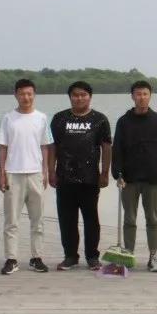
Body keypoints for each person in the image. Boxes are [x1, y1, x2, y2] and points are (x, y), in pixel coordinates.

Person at [50, 81, 112, 271]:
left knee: (91, 219)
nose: (79, 98)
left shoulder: (99, 119)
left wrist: (105, 172)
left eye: (83, 95)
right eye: (75, 95)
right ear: (70, 97)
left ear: (90, 97)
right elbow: (52, 146)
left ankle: (92, 256)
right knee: (67, 219)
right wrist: (51, 171)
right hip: (64, 177)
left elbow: (106, 147)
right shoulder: (59, 118)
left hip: (90, 178)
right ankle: (70, 256)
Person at [112, 80, 157, 272]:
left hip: (151, 176)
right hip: (129, 178)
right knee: (129, 219)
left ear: (150, 95)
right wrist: (117, 173)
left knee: (152, 218)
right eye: (138, 94)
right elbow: (117, 149)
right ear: (132, 96)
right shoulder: (123, 121)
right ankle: (128, 255)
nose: (141, 97)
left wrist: (149, 158)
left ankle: (153, 257)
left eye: (145, 94)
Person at [0, 79, 53, 275]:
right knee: (11, 220)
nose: (26, 97)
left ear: (34, 95)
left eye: (29, 94)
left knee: (38, 220)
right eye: (22, 94)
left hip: (35, 173)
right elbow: (2, 147)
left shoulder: (42, 118)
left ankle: (37, 257)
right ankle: (11, 259)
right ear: (16, 95)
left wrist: (45, 171)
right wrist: (1, 173)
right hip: (13, 173)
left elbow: (45, 146)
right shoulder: (8, 118)